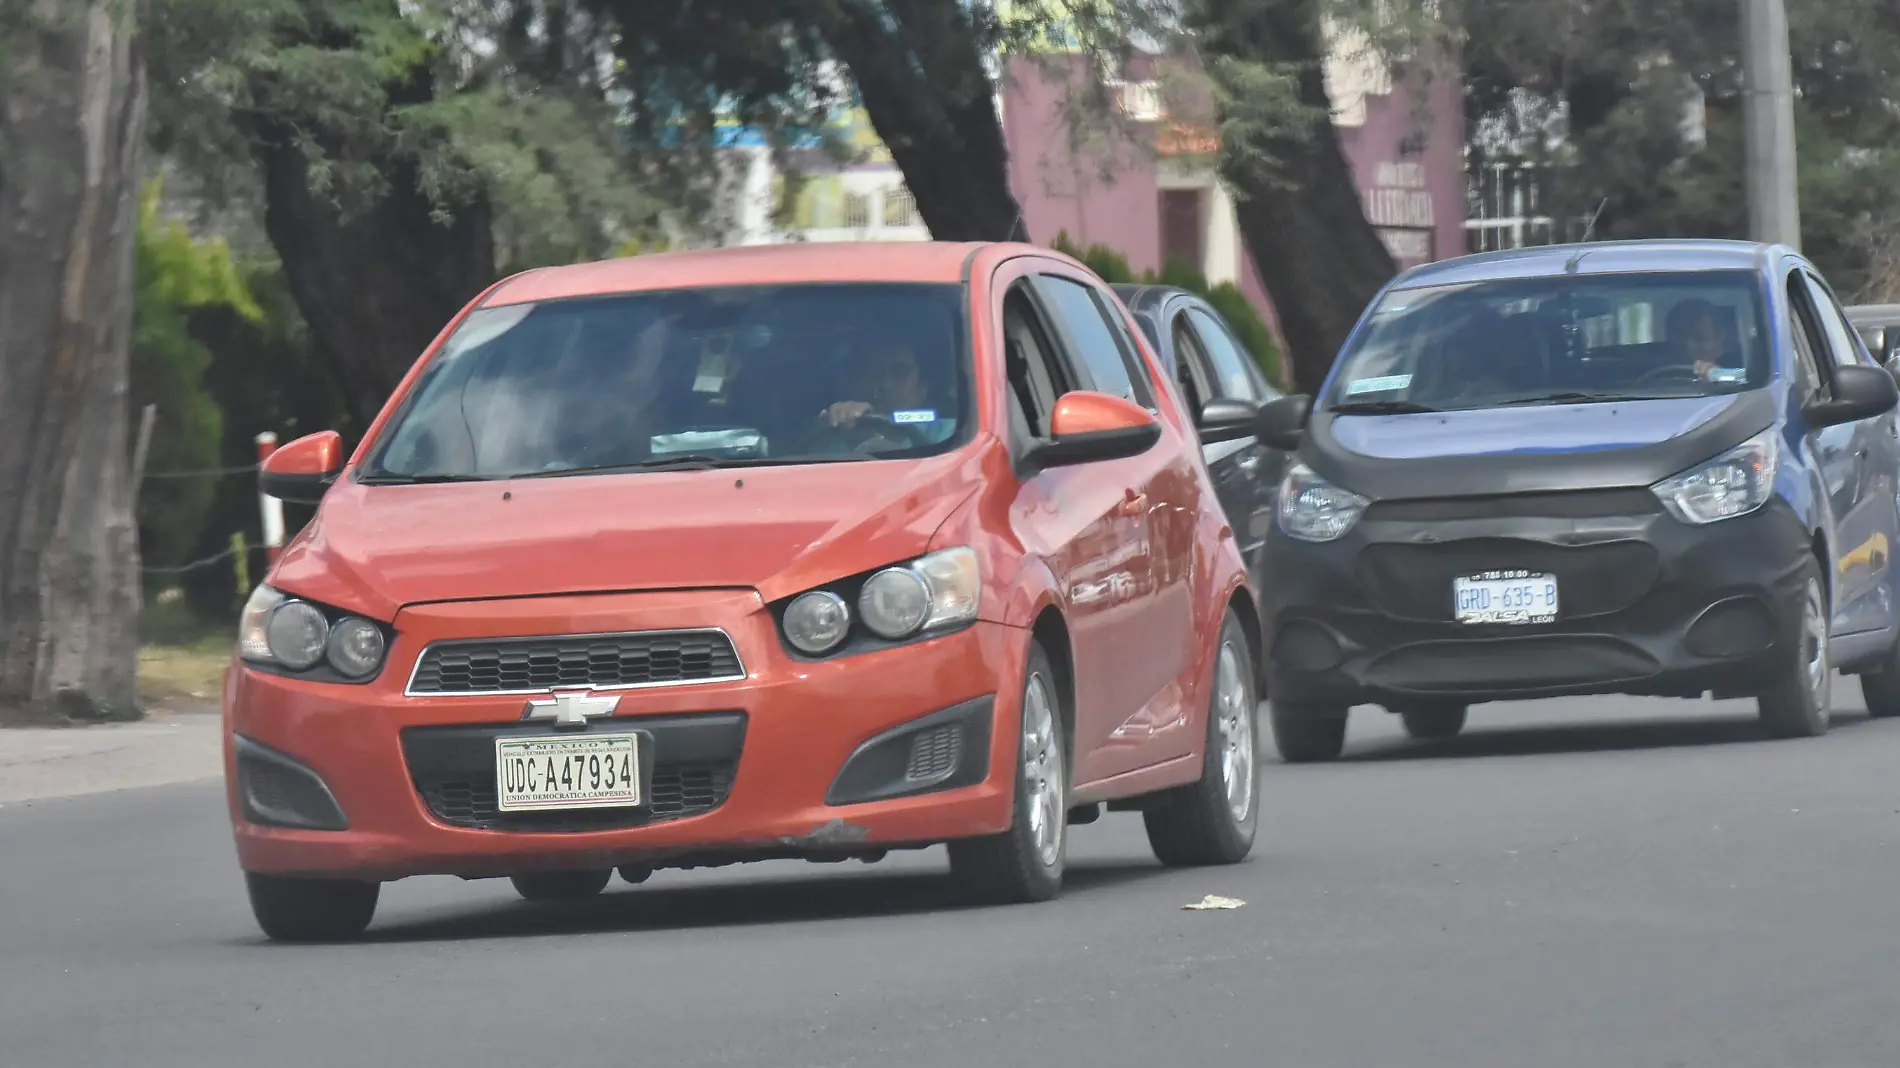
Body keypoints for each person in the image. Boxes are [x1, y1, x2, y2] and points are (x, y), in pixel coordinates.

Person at [818, 339, 956, 447]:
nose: (884, 384)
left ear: (922, 387)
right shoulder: (831, 438)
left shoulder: (952, 438)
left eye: (899, 372)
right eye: (872, 372)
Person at [1664, 298, 1730, 380]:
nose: (1688, 345)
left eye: (1700, 339)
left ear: (1720, 340)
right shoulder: (1649, 369)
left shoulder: (1743, 364)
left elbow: (1745, 378)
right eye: (1680, 337)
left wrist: (1720, 375)